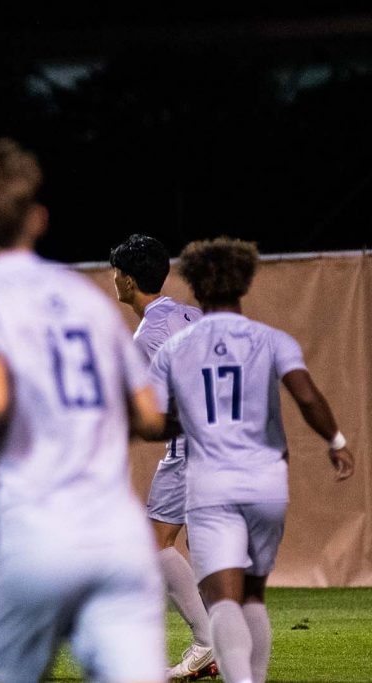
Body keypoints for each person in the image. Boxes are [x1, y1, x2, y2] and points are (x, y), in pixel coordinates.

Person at [0, 139, 167, 683]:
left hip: (41, 533)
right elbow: (149, 416)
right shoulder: (87, 298)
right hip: (119, 539)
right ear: (37, 220)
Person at [143, 237, 354, 683]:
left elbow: (158, 422)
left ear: (196, 287)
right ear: (244, 284)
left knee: (221, 597)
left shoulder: (174, 347)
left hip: (211, 479)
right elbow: (307, 395)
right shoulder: (270, 338)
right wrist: (336, 440)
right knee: (253, 596)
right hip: (266, 480)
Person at [109, 234, 216, 680]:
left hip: (194, 441)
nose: (113, 279)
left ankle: (209, 642)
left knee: (156, 543)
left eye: (116, 272)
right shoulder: (191, 313)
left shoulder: (147, 334)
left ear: (129, 281)